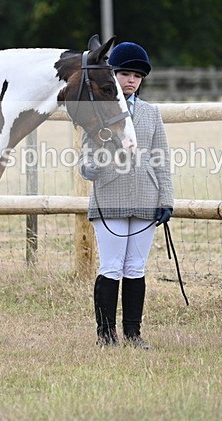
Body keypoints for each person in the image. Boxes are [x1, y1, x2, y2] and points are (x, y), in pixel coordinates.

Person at [79, 41, 174, 349]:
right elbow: (85, 161)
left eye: (137, 75)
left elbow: (161, 158)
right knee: (111, 266)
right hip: (110, 198)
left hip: (146, 198)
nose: (132, 80)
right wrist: (92, 166)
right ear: (113, 76)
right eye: (125, 74)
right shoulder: (98, 112)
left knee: (135, 268)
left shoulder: (151, 114)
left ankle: (133, 333)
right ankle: (105, 334)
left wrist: (166, 199)